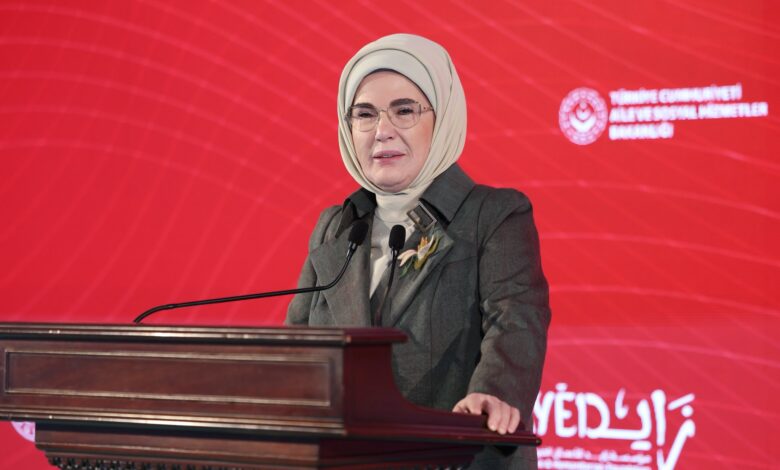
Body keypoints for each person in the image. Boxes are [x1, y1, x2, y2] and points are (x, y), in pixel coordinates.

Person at [286, 33, 550, 469]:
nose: (382, 131)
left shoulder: (493, 215)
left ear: (442, 118)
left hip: (457, 456)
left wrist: (494, 394)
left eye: (404, 110)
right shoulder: (336, 226)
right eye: (364, 114)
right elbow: (297, 350)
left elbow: (516, 319)